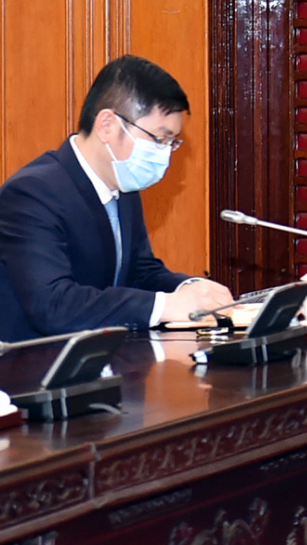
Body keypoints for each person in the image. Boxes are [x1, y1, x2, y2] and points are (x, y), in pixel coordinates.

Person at [0, 56, 235, 341]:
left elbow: (138, 271)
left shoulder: (123, 187)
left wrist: (192, 289)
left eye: (172, 142)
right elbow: (54, 305)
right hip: (31, 373)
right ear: (107, 125)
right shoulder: (33, 193)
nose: (166, 154)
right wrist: (165, 306)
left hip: (99, 363)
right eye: (159, 139)